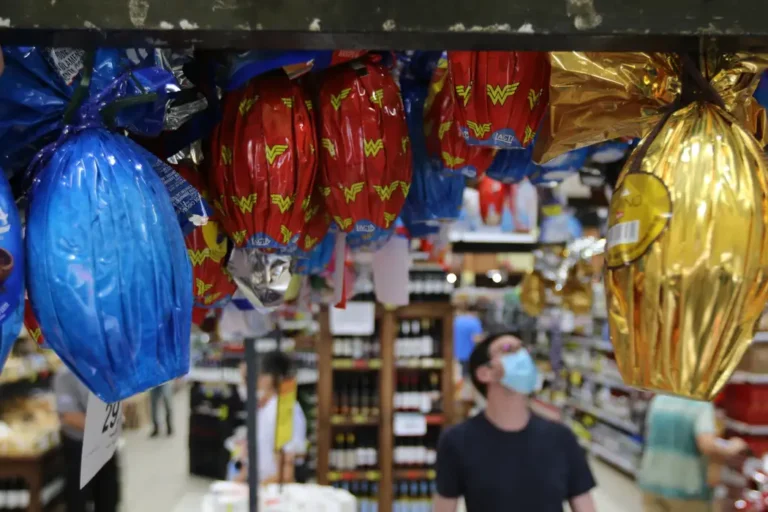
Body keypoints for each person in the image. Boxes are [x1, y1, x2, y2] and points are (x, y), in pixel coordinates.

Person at [434, 332, 597, 512]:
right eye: (508, 349)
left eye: (523, 349)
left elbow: (585, 506)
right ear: (484, 373)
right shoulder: (457, 441)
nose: (522, 356)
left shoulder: (561, 438)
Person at [638, 395, 749, 512]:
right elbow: (706, 444)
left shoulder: (660, 398)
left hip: (651, 482)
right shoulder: (700, 404)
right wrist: (732, 447)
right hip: (685, 488)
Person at [233, 350, 307, 484]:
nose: (245, 384)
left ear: (269, 378)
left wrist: (257, 489)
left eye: (248, 378)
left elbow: (286, 474)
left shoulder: (285, 410)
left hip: (273, 490)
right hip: (261, 486)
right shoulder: (262, 409)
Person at [53, 365, 120, 512]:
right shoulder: (66, 374)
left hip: (105, 445)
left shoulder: (103, 368)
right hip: (80, 448)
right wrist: (105, 426)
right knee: (78, 500)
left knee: (109, 497)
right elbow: (69, 416)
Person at [453, 300, 483, 378]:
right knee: (467, 379)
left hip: (454, 355)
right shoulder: (474, 322)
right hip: (468, 356)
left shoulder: (455, 321)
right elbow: (477, 339)